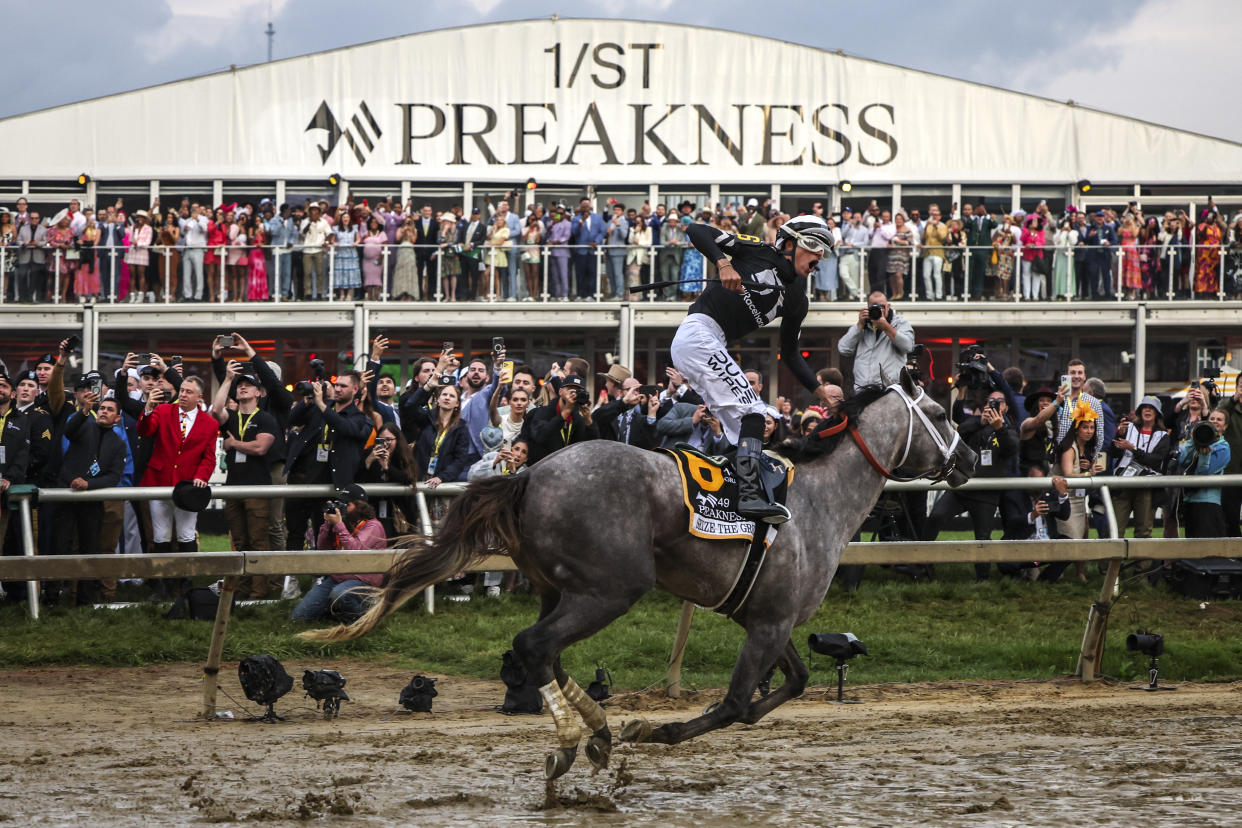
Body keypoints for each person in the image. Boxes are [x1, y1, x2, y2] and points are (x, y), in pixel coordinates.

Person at [672, 214, 836, 523]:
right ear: (788, 243)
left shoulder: (798, 299)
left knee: (744, 424)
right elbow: (696, 230)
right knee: (753, 412)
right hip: (698, 333)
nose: (818, 257)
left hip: (709, 343)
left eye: (823, 253)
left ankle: (726, 492)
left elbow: (789, 353)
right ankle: (749, 497)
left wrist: (820, 392)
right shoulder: (760, 251)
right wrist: (723, 263)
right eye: (813, 246)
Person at [920, 389, 1018, 581]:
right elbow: (958, 432)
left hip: (986, 494)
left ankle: (982, 578)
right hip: (961, 487)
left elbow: (1012, 448)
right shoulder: (974, 424)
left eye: (999, 401)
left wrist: (999, 428)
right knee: (936, 517)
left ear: (1006, 407)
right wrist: (980, 422)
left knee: (983, 537)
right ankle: (922, 566)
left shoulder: (1008, 428)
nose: (995, 404)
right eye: (991, 401)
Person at [136, 375, 219, 578]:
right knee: (160, 534)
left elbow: (209, 458)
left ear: (199, 397)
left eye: (188, 392)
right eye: (181, 390)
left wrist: (201, 477)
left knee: (186, 534)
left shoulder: (209, 424)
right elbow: (144, 430)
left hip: (187, 487)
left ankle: (185, 583)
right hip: (159, 481)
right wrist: (148, 408)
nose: (182, 394)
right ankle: (161, 583)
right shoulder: (163, 411)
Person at [211, 364, 279, 598]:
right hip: (233, 487)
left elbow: (260, 448)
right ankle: (241, 589)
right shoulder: (231, 417)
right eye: (240, 386)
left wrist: (234, 444)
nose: (242, 388)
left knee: (258, 540)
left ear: (258, 393)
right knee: (239, 541)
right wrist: (228, 379)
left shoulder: (265, 418)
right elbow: (216, 409)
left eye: (248, 385)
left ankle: (259, 593)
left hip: (257, 487)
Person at [51, 393, 125, 605]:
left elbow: (114, 476)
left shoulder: (118, 444)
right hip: (66, 495)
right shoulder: (83, 425)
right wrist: (84, 410)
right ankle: (51, 596)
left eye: (110, 410)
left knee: (89, 548)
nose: (104, 411)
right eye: (102, 408)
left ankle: (84, 600)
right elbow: (68, 430)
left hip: (92, 502)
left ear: (117, 418)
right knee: (59, 546)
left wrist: (89, 484)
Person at [290, 484, 386, 624]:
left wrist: (339, 525)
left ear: (360, 506)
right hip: (338, 578)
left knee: (340, 595)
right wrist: (328, 525)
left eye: (347, 504)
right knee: (299, 618)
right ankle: (336, 612)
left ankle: (366, 620)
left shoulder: (373, 526)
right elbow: (322, 549)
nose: (342, 508)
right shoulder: (344, 522)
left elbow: (355, 551)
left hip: (363, 581)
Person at [1107, 396, 1169, 539]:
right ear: (1140, 411)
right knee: (1114, 529)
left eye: (1151, 408)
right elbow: (1113, 453)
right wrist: (1119, 434)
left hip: (1147, 486)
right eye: (1145, 407)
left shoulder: (1163, 435)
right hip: (1123, 483)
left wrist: (1133, 449)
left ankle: (1141, 562)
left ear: (1157, 413)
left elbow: (1155, 460)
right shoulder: (1128, 428)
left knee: (1144, 532)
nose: (1147, 410)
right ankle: (1112, 562)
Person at [837, 290, 915, 393]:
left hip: (890, 391)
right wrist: (859, 326)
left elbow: (908, 347)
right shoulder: (862, 325)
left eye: (881, 306)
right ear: (867, 308)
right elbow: (843, 349)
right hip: (863, 391)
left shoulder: (900, 324)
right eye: (874, 307)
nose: (879, 310)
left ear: (888, 306)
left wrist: (886, 327)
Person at [520, 373, 600, 465]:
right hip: (541, 470)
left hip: (566, 472)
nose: (574, 394)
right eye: (570, 390)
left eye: (578, 391)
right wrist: (565, 412)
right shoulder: (541, 412)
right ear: (560, 391)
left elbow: (593, 447)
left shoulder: (578, 420)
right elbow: (541, 436)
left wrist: (588, 420)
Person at [1177, 410, 1230, 537]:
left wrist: (1205, 455)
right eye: (1212, 418)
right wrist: (1193, 441)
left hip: (1208, 503)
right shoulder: (1197, 442)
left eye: (1219, 419)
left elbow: (1204, 474)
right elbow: (1183, 461)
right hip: (1189, 501)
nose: (1215, 422)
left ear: (1225, 426)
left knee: (1207, 548)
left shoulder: (1224, 447)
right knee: (1192, 546)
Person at [1214, 378, 1242, 537]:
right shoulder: (1229, 406)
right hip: (1233, 470)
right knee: (1231, 515)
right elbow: (1219, 414)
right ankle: (1233, 553)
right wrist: (1234, 399)